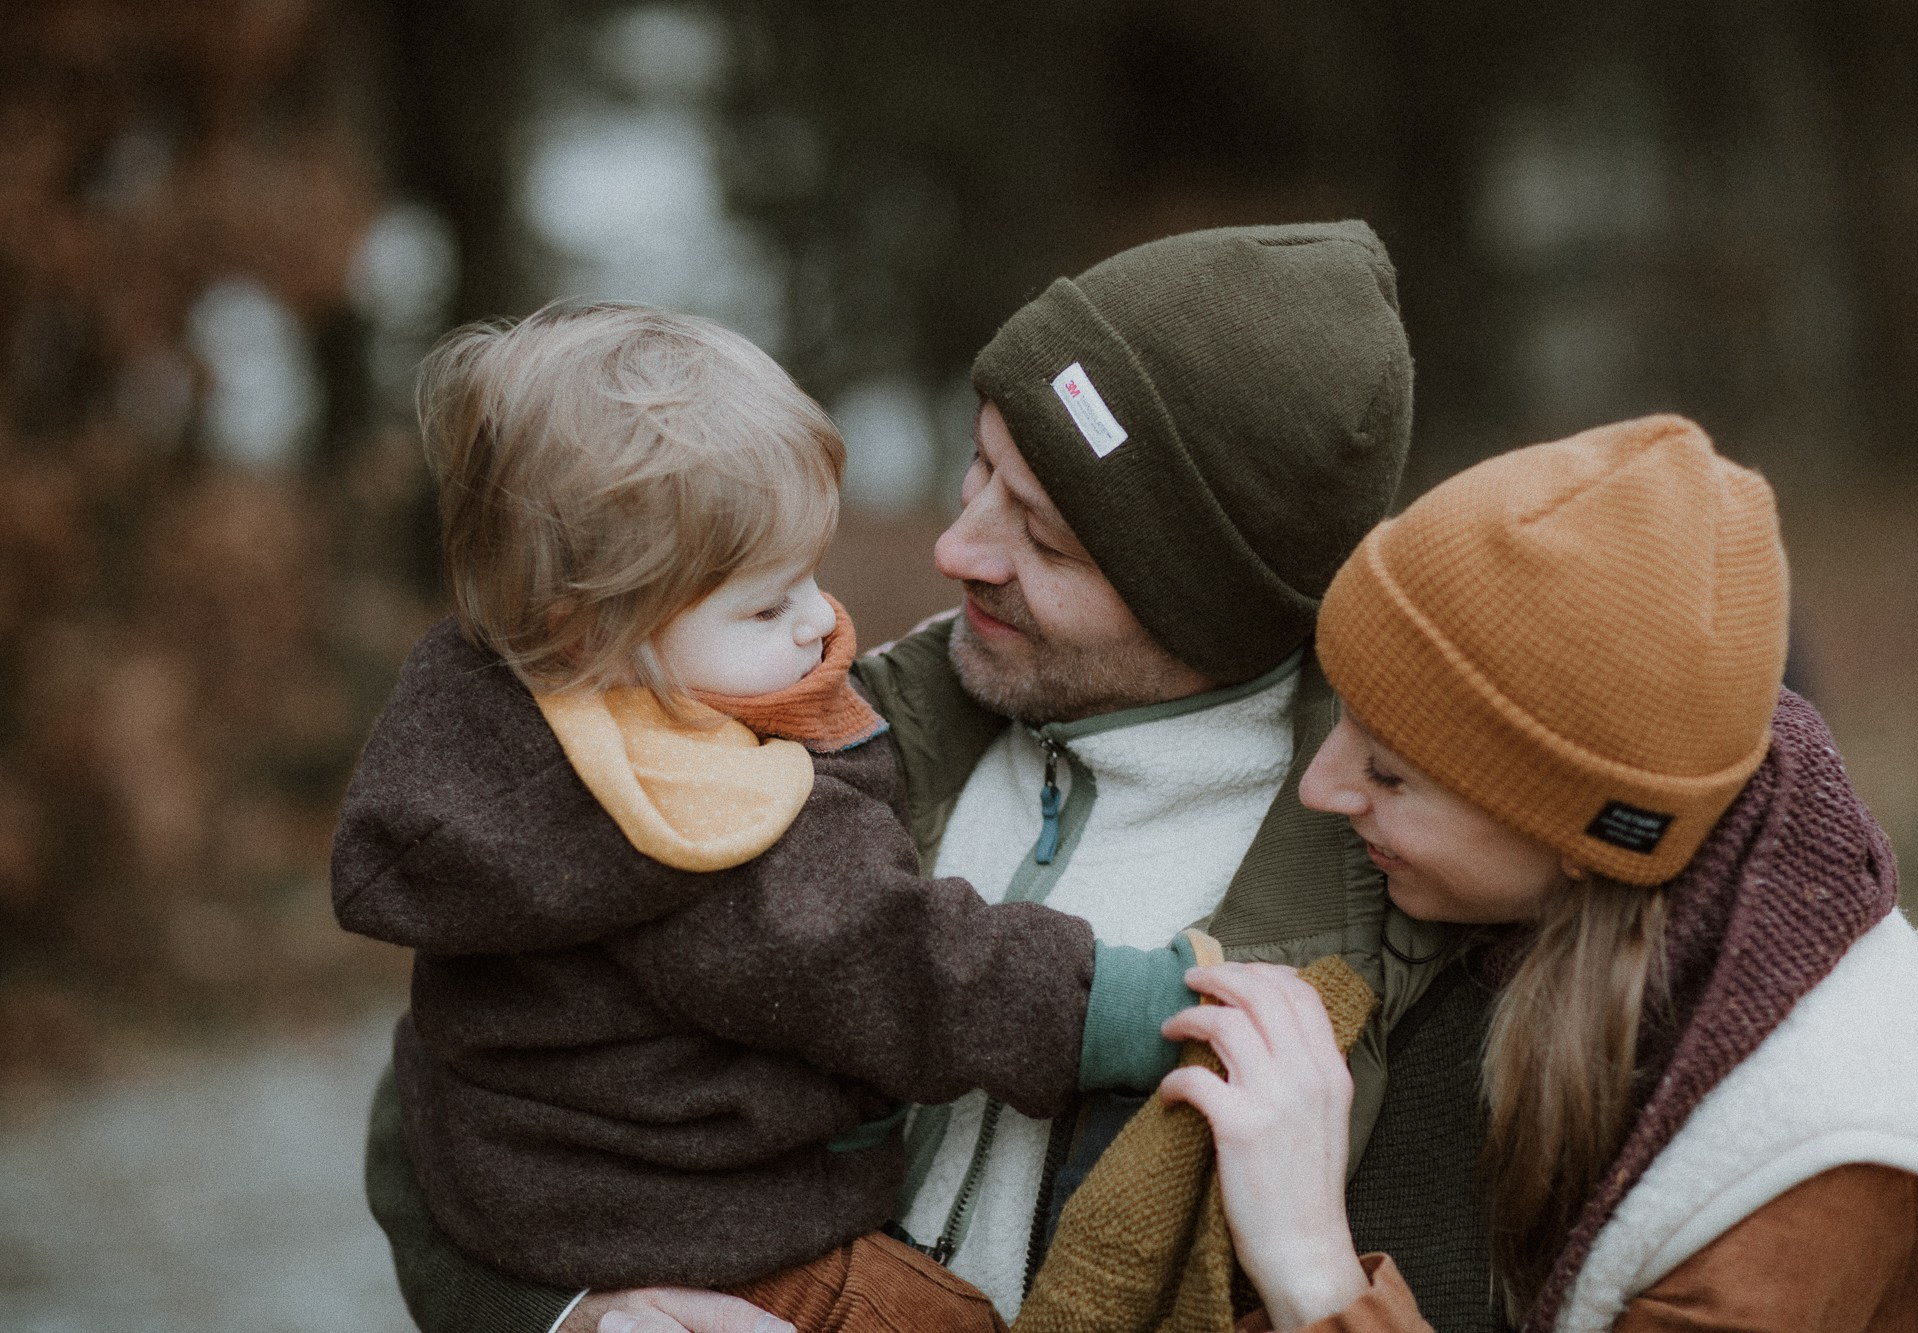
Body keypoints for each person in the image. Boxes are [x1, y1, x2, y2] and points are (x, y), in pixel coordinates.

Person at [362, 222, 1493, 1333]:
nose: (958, 552)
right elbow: (464, 1090)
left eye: (1044, 538)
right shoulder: (802, 735)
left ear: (1201, 601)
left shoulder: (1396, 926)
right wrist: (574, 1317)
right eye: (980, 467)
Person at [334, 304, 1211, 1333]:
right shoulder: (694, 817)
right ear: (590, 633)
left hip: (539, 1218)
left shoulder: (494, 725)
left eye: (810, 576)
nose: (817, 618)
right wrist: (1130, 1005)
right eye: (764, 606)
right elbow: (908, 964)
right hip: (730, 1252)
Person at [1143, 415, 1918, 1331]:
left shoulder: (1814, 1183)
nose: (1320, 787)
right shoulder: (1657, 865)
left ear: (1580, 835)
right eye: (1342, 718)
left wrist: (1313, 1269)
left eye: (1389, 773)